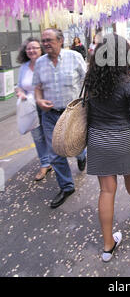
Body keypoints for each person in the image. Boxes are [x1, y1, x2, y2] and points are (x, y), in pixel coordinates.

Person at [85, 33, 130, 262]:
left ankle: (107, 246)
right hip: (123, 138)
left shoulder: (90, 80)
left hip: (98, 138)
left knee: (107, 190)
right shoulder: (127, 82)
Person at [33, 28, 87, 209]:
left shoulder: (74, 57)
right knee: (54, 154)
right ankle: (67, 187)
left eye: (49, 40)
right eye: (44, 40)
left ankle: (82, 155)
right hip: (50, 115)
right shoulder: (40, 63)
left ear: (60, 40)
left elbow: (87, 80)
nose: (45, 43)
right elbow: (37, 87)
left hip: (72, 114)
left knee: (75, 144)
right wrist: (39, 100)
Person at [15, 38, 52, 181]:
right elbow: (19, 85)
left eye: (35, 48)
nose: (31, 51)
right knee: (37, 137)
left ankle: (70, 157)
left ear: (41, 49)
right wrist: (20, 92)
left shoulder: (48, 64)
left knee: (54, 135)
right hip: (30, 106)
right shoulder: (24, 67)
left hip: (48, 104)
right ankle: (45, 163)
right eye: (28, 48)